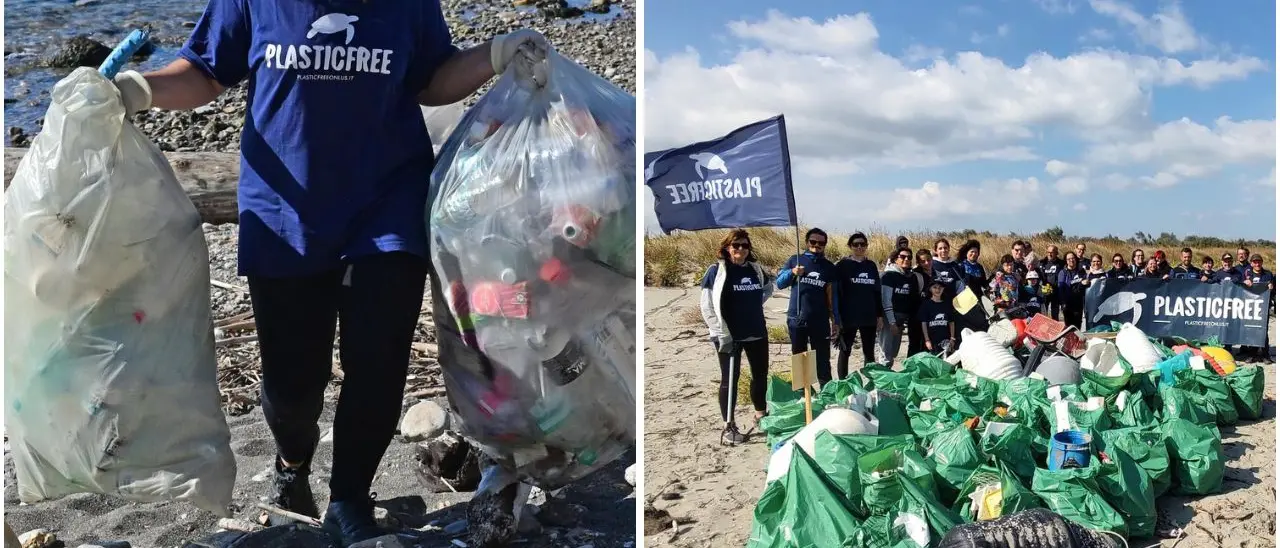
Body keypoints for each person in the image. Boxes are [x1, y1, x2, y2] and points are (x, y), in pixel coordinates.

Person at [109, 2, 553, 543]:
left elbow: (431, 79)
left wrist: (495, 54)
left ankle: (349, 495)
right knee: (292, 384)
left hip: (386, 204)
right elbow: (205, 72)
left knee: (379, 360)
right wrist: (138, 90)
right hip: (283, 212)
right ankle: (292, 464)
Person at [700, 229, 774, 444]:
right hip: (729, 336)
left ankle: (761, 415)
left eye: (744, 245)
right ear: (727, 248)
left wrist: (751, 306)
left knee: (760, 375)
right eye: (736, 245)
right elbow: (706, 307)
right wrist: (720, 332)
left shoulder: (756, 270)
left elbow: (767, 289)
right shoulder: (717, 271)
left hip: (756, 331)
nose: (740, 249)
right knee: (730, 379)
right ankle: (729, 425)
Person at [777, 228, 840, 386]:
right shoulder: (795, 260)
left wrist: (835, 321)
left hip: (820, 320)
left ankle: (826, 393)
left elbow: (833, 297)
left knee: (823, 360)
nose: (816, 245)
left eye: (821, 243)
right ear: (807, 242)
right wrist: (792, 272)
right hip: (797, 318)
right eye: (813, 242)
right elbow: (779, 283)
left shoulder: (829, 267)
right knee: (800, 359)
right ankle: (803, 395)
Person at [835, 233, 882, 378]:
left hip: (868, 315)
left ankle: (872, 383)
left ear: (866, 246)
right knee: (845, 350)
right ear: (850, 246)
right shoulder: (843, 265)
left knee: (869, 352)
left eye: (862, 244)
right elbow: (836, 292)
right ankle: (842, 382)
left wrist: (879, 315)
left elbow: (877, 292)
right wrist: (836, 317)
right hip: (849, 315)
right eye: (856, 244)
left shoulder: (871, 266)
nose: (859, 247)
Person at [880, 249, 920, 367]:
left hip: (902, 319)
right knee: (885, 353)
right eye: (902, 257)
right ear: (895, 258)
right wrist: (892, 322)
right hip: (889, 317)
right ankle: (882, 381)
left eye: (909, 257)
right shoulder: (888, 275)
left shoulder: (910, 276)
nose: (906, 259)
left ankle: (889, 377)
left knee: (893, 352)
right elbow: (886, 300)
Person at [1241, 254, 1275, 363]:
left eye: (1259, 262)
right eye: (1255, 262)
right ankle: (1252, 354)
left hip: (1264, 307)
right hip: (1251, 308)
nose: (1257, 264)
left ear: (1262, 262)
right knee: (1252, 329)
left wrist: (1271, 287)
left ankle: (1265, 355)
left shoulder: (1268, 274)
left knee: (1263, 330)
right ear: (1251, 263)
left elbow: (1274, 292)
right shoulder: (1247, 274)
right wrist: (1244, 282)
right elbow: (1238, 283)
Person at [917, 280, 955, 355]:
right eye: (935, 287)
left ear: (943, 289)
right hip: (931, 339)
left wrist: (952, 338)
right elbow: (924, 323)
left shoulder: (947, 304)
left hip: (945, 339)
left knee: (946, 359)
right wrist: (927, 340)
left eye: (940, 287)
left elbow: (951, 322)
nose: (937, 290)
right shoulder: (926, 304)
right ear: (930, 289)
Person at [909, 248, 934, 353]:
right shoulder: (915, 275)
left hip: (932, 317)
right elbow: (912, 298)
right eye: (923, 261)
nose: (927, 263)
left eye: (928, 259)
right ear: (918, 263)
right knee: (915, 346)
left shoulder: (936, 274)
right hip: (917, 318)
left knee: (929, 346)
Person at [1058, 252, 1087, 328]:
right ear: (1066, 261)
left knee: (1077, 327)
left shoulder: (1081, 271)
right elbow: (1061, 289)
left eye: (1073, 258)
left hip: (1078, 303)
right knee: (1069, 328)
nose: (1071, 260)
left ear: (1076, 259)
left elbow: (1084, 285)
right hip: (1067, 305)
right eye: (1069, 259)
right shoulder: (1063, 272)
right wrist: (1062, 303)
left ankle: (1077, 340)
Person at [1039, 245, 1066, 320]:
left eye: (1052, 252)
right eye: (1048, 252)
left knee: (1055, 314)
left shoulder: (1062, 263)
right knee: (1043, 314)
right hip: (1045, 292)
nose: (1050, 254)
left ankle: (1055, 330)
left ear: (1056, 253)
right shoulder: (1042, 263)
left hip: (1056, 292)